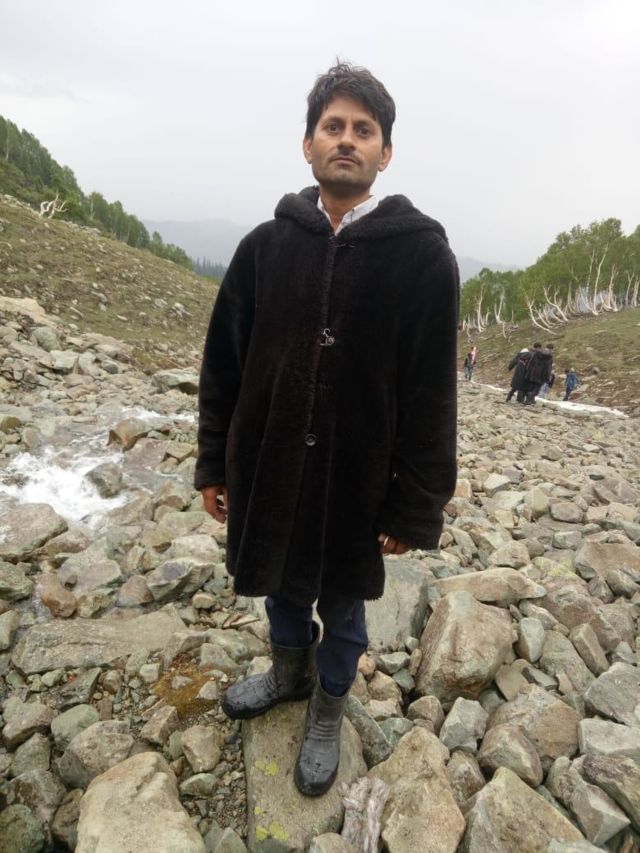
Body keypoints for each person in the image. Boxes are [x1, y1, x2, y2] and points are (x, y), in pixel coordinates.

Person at [194, 63, 459, 797]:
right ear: (307, 143)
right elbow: (223, 364)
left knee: (343, 603)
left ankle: (328, 705)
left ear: (385, 152)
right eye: (332, 126)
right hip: (269, 463)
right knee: (279, 584)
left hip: (358, 479)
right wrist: (213, 462)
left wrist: (415, 504)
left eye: (363, 130)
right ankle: (287, 673)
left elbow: (431, 391)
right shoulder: (264, 247)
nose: (347, 139)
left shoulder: (422, 257)